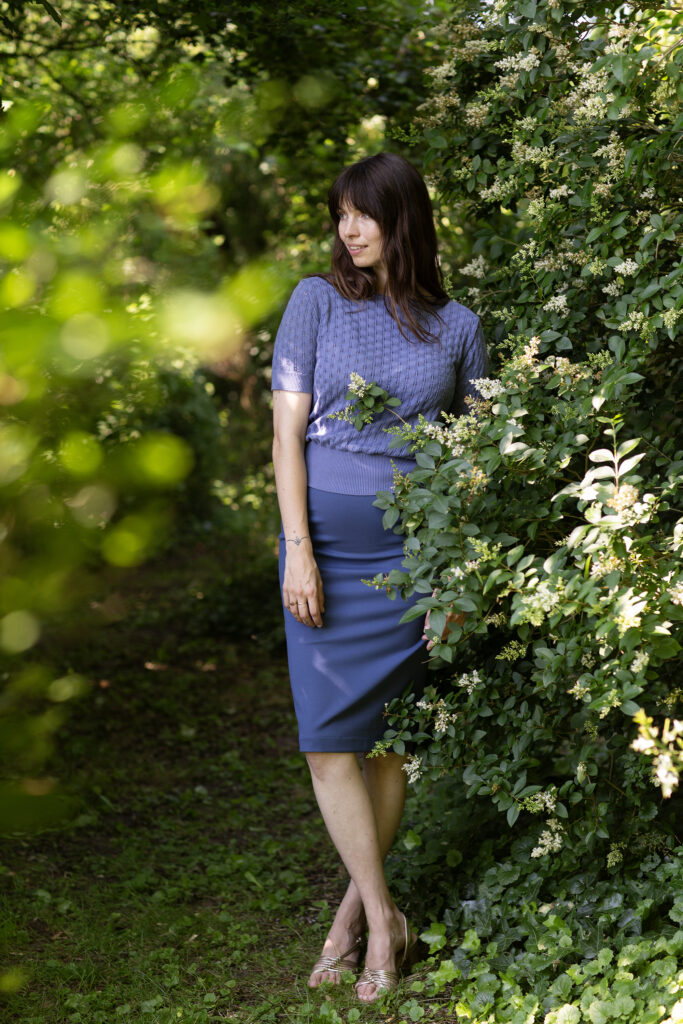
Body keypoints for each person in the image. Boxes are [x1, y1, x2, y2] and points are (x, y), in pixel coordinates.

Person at [271, 151, 487, 1003]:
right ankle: (383, 916)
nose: (348, 228)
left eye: (363, 213)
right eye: (340, 214)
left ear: (404, 219)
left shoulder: (458, 326)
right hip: (323, 547)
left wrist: (455, 577)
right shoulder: (316, 300)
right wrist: (298, 547)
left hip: (415, 561)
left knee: (391, 745)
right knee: (328, 743)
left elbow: (476, 463)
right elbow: (286, 434)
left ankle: (355, 923)